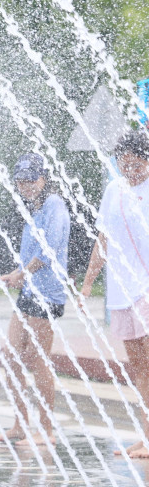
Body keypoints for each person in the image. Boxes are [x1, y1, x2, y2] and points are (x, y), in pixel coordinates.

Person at [0, 154, 70, 447]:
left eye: (31, 180)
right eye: (21, 181)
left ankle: (46, 430)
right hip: (28, 292)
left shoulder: (54, 205)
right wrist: (17, 274)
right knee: (12, 356)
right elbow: (32, 252)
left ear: (43, 179)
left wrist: (23, 273)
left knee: (39, 360)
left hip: (47, 294)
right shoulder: (33, 208)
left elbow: (51, 250)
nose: (25, 185)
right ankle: (20, 424)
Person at [82, 129, 149, 459]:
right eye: (124, 165)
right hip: (122, 290)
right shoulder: (114, 189)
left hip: (147, 289)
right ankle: (146, 437)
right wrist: (88, 281)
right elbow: (103, 239)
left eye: (137, 165)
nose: (130, 172)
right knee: (139, 369)